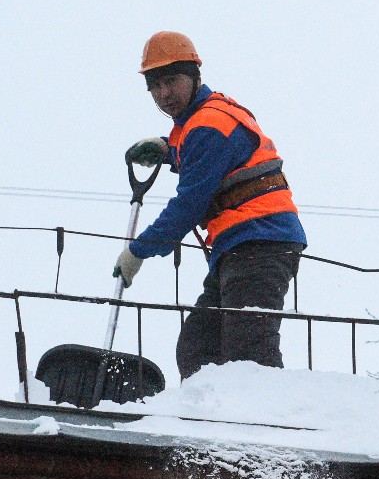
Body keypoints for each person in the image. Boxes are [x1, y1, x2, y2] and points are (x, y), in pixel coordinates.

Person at [114, 31, 306, 378]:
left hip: (260, 244)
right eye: (155, 86)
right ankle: (211, 422)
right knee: (198, 349)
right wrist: (167, 148)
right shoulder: (206, 118)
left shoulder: (207, 126)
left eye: (171, 81)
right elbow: (210, 159)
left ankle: (269, 423)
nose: (164, 94)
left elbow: (188, 205)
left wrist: (138, 251)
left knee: (249, 354)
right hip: (242, 246)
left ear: (194, 76)